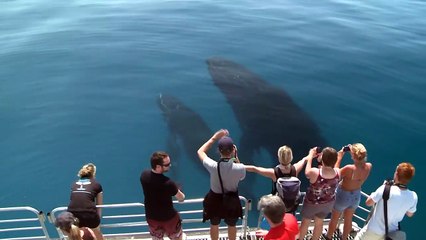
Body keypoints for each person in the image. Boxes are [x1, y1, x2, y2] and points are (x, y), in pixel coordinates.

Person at [197, 129, 246, 240]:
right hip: (232, 200)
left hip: (214, 200)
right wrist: (235, 156)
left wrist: (214, 137)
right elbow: (241, 176)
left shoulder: (213, 166)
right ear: (233, 150)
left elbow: (200, 152)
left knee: (214, 224)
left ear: (219, 151)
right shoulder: (240, 168)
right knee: (232, 225)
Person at [354, 162, 417, 240]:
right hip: (390, 235)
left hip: (373, 231)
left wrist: (377, 192)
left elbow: (368, 203)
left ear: (396, 174)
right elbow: (410, 214)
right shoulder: (413, 196)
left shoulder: (386, 188)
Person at [326, 143, 372, 240]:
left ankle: (328, 237)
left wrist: (339, 157)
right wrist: (353, 150)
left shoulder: (349, 168)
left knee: (334, 218)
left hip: (343, 195)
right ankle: (344, 238)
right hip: (356, 196)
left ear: (353, 156)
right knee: (348, 219)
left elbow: (336, 174)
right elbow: (360, 161)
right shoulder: (369, 166)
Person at [140, 151, 186, 240]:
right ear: (158, 166)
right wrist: (177, 189)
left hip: (152, 217)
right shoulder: (168, 183)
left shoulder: (144, 176)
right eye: (167, 164)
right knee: (177, 238)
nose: (170, 165)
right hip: (169, 219)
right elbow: (181, 198)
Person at [298, 147, 340, 240]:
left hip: (312, 203)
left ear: (323, 159)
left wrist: (310, 157)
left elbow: (307, 173)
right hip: (327, 204)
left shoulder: (315, 172)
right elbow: (333, 167)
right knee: (319, 223)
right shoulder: (338, 172)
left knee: (305, 222)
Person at [67, 163, 104, 240]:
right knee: (97, 233)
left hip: (72, 215)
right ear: (93, 174)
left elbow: (74, 200)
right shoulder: (97, 185)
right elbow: (99, 205)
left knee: (76, 234)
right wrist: (97, 220)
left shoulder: (74, 184)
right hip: (89, 214)